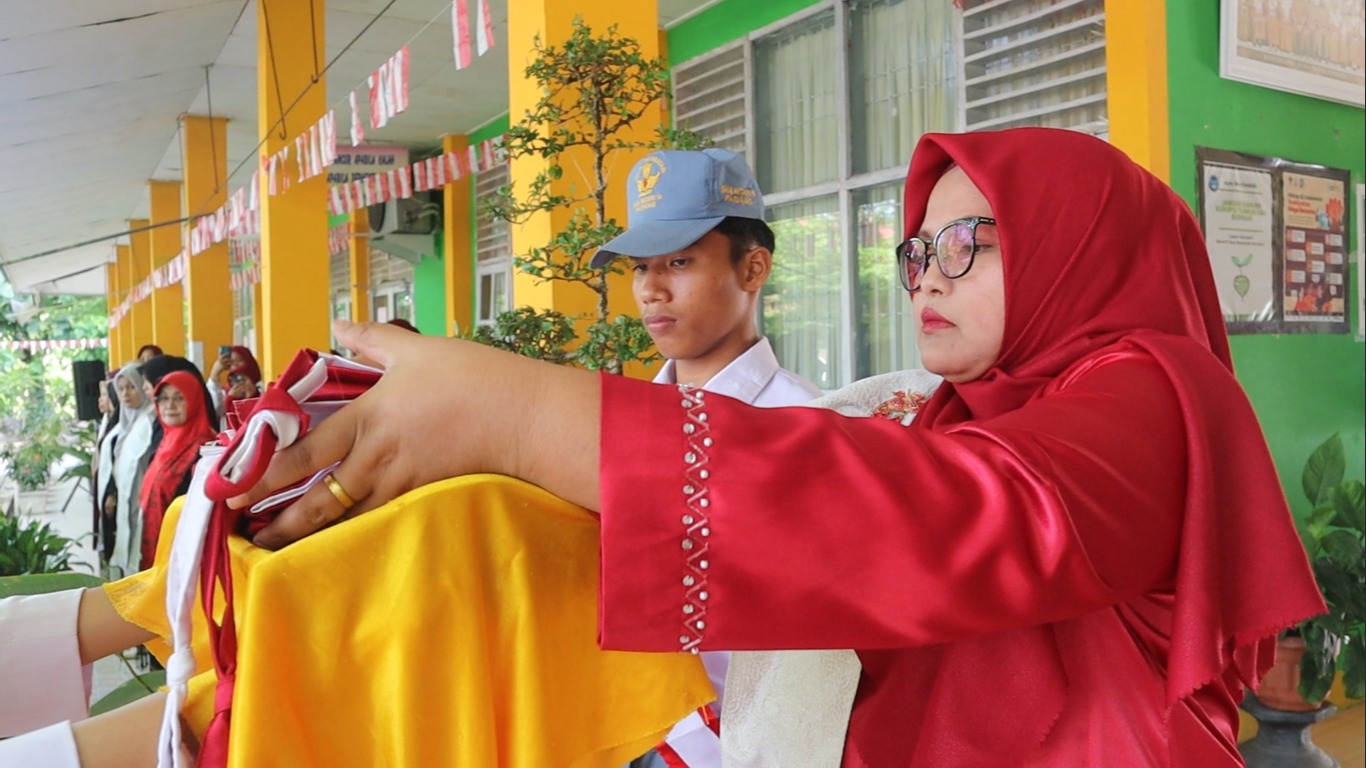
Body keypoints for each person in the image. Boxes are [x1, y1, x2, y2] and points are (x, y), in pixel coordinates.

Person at [0, 128, 1326, 767]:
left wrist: (515, 414)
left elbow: (935, 521)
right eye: (915, 246)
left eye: (970, 240)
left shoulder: (1149, 392)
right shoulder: (937, 419)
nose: (926, 269)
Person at [589, 148, 824, 766]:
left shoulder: (807, 428)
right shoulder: (623, 423)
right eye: (641, 268)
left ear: (753, 268)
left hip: (739, 750)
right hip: (624, 732)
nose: (651, 290)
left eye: (680, 261)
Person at [138, 371, 217, 571]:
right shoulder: (165, 442)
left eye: (179, 398)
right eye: (164, 398)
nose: (170, 405)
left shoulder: (208, 450)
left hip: (184, 558)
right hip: (157, 549)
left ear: (194, 401)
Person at [94, 364, 156, 579]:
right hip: (123, 501)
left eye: (132, 387)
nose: (125, 394)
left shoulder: (151, 420)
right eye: (121, 389)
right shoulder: (124, 423)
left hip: (142, 501)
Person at [206, 345, 263, 420]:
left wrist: (251, 395)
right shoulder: (224, 393)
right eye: (232, 362)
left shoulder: (262, 394)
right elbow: (212, 411)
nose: (236, 366)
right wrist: (214, 374)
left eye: (239, 361)